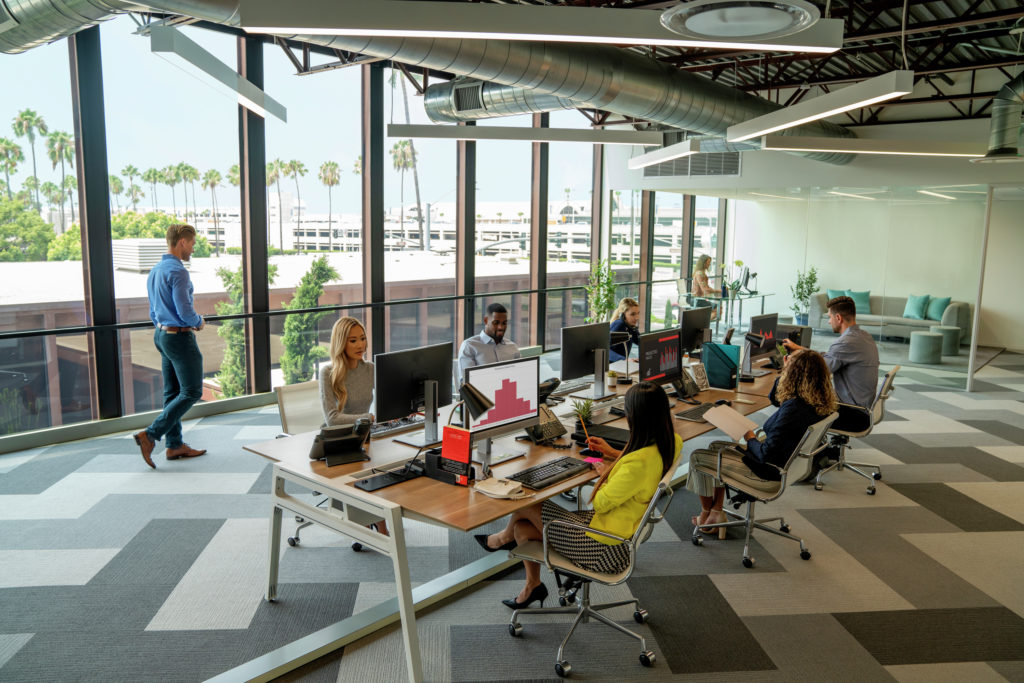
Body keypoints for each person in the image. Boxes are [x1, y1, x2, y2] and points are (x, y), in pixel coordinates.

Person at [474, 381, 681, 609]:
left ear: (637, 418)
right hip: (617, 533)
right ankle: (532, 585)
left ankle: (500, 540)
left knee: (526, 503)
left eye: (628, 411)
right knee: (521, 529)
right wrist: (611, 454)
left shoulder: (636, 464)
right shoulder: (670, 442)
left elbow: (601, 503)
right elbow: (637, 465)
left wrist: (607, 473)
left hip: (603, 548)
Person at [686, 349, 838, 535]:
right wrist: (785, 372)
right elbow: (775, 399)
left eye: (788, 367)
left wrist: (750, 437)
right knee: (715, 447)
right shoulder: (815, 401)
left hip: (766, 473)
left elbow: (766, 454)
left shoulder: (793, 409)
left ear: (794, 374)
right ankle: (716, 512)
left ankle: (705, 514)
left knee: (697, 457)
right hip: (786, 466)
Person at [134, 224, 207, 469]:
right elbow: (185, 311)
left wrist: (163, 327)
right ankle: (151, 435)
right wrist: (198, 322)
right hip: (179, 337)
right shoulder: (178, 272)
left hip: (162, 335)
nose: (193, 248)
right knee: (192, 391)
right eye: (192, 243)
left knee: (172, 393)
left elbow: (153, 310)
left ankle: (174, 445)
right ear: (182, 242)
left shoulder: (155, 270)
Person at [783, 294, 879, 471]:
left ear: (838, 318)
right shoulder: (863, 336)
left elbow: (819, 371)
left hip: (852, 413)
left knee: (797, 407)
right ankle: (816, 453)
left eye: (829, 317)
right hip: (862, 407)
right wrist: (801, 350)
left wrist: (792, 363)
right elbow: (827, 358)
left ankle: (804, 464)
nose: (828, 322)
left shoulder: (846, 342)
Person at [320, 316, 374, 426]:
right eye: (353, 341)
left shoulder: (370, 368)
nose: (360, 345)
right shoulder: (327, 372)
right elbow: (332, 420)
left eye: (363, 339)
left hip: (365, 432)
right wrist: (370, 418)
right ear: (341, 343)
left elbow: (389, 396)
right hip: (339, 436)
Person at [457, 302, 521, 379]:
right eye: (496, 323)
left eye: (504, 323)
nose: (501, 327)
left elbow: (520, 376)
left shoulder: (513, 347)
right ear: (486, 320)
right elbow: (466, 384)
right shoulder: (469, 346)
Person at [608, 297, 640, 362]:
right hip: (611, 366)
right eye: (632, 314)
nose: (637, 317)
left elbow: (641, 341)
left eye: (638, 313)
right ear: (623, 315)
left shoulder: (630, 326)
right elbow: (605, 350)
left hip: (621, 365)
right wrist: (625, 360)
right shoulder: (618, 325)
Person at [690, 254, 719, 320]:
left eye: (709, 262)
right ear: (703, 263)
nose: (709, 264)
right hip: (697, 300)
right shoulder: (700, 274)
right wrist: (719, 291)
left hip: (699, 299)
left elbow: (707, 288)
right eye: (708, 262)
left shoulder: (701, 273)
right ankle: (704, 324)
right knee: (718, 308)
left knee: (717, 308)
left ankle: (703, 323)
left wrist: (714, 290)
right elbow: (706, 290)